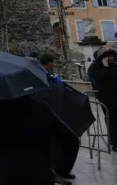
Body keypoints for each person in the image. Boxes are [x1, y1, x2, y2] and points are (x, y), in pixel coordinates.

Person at [0, 95, 73, 185]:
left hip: (8, 177)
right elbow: (70, 139)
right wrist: (61, 171)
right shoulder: (43, 108)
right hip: (40, 176)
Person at [37, 52, 79, 183]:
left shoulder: (48, 75)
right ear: (48, 63)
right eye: (53, 62)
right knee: (55, 142)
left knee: (69, 140)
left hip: (53, 111)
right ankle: (55, 171)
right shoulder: (39, 75)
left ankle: (61, 170)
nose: (54, 64)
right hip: (47, 111)